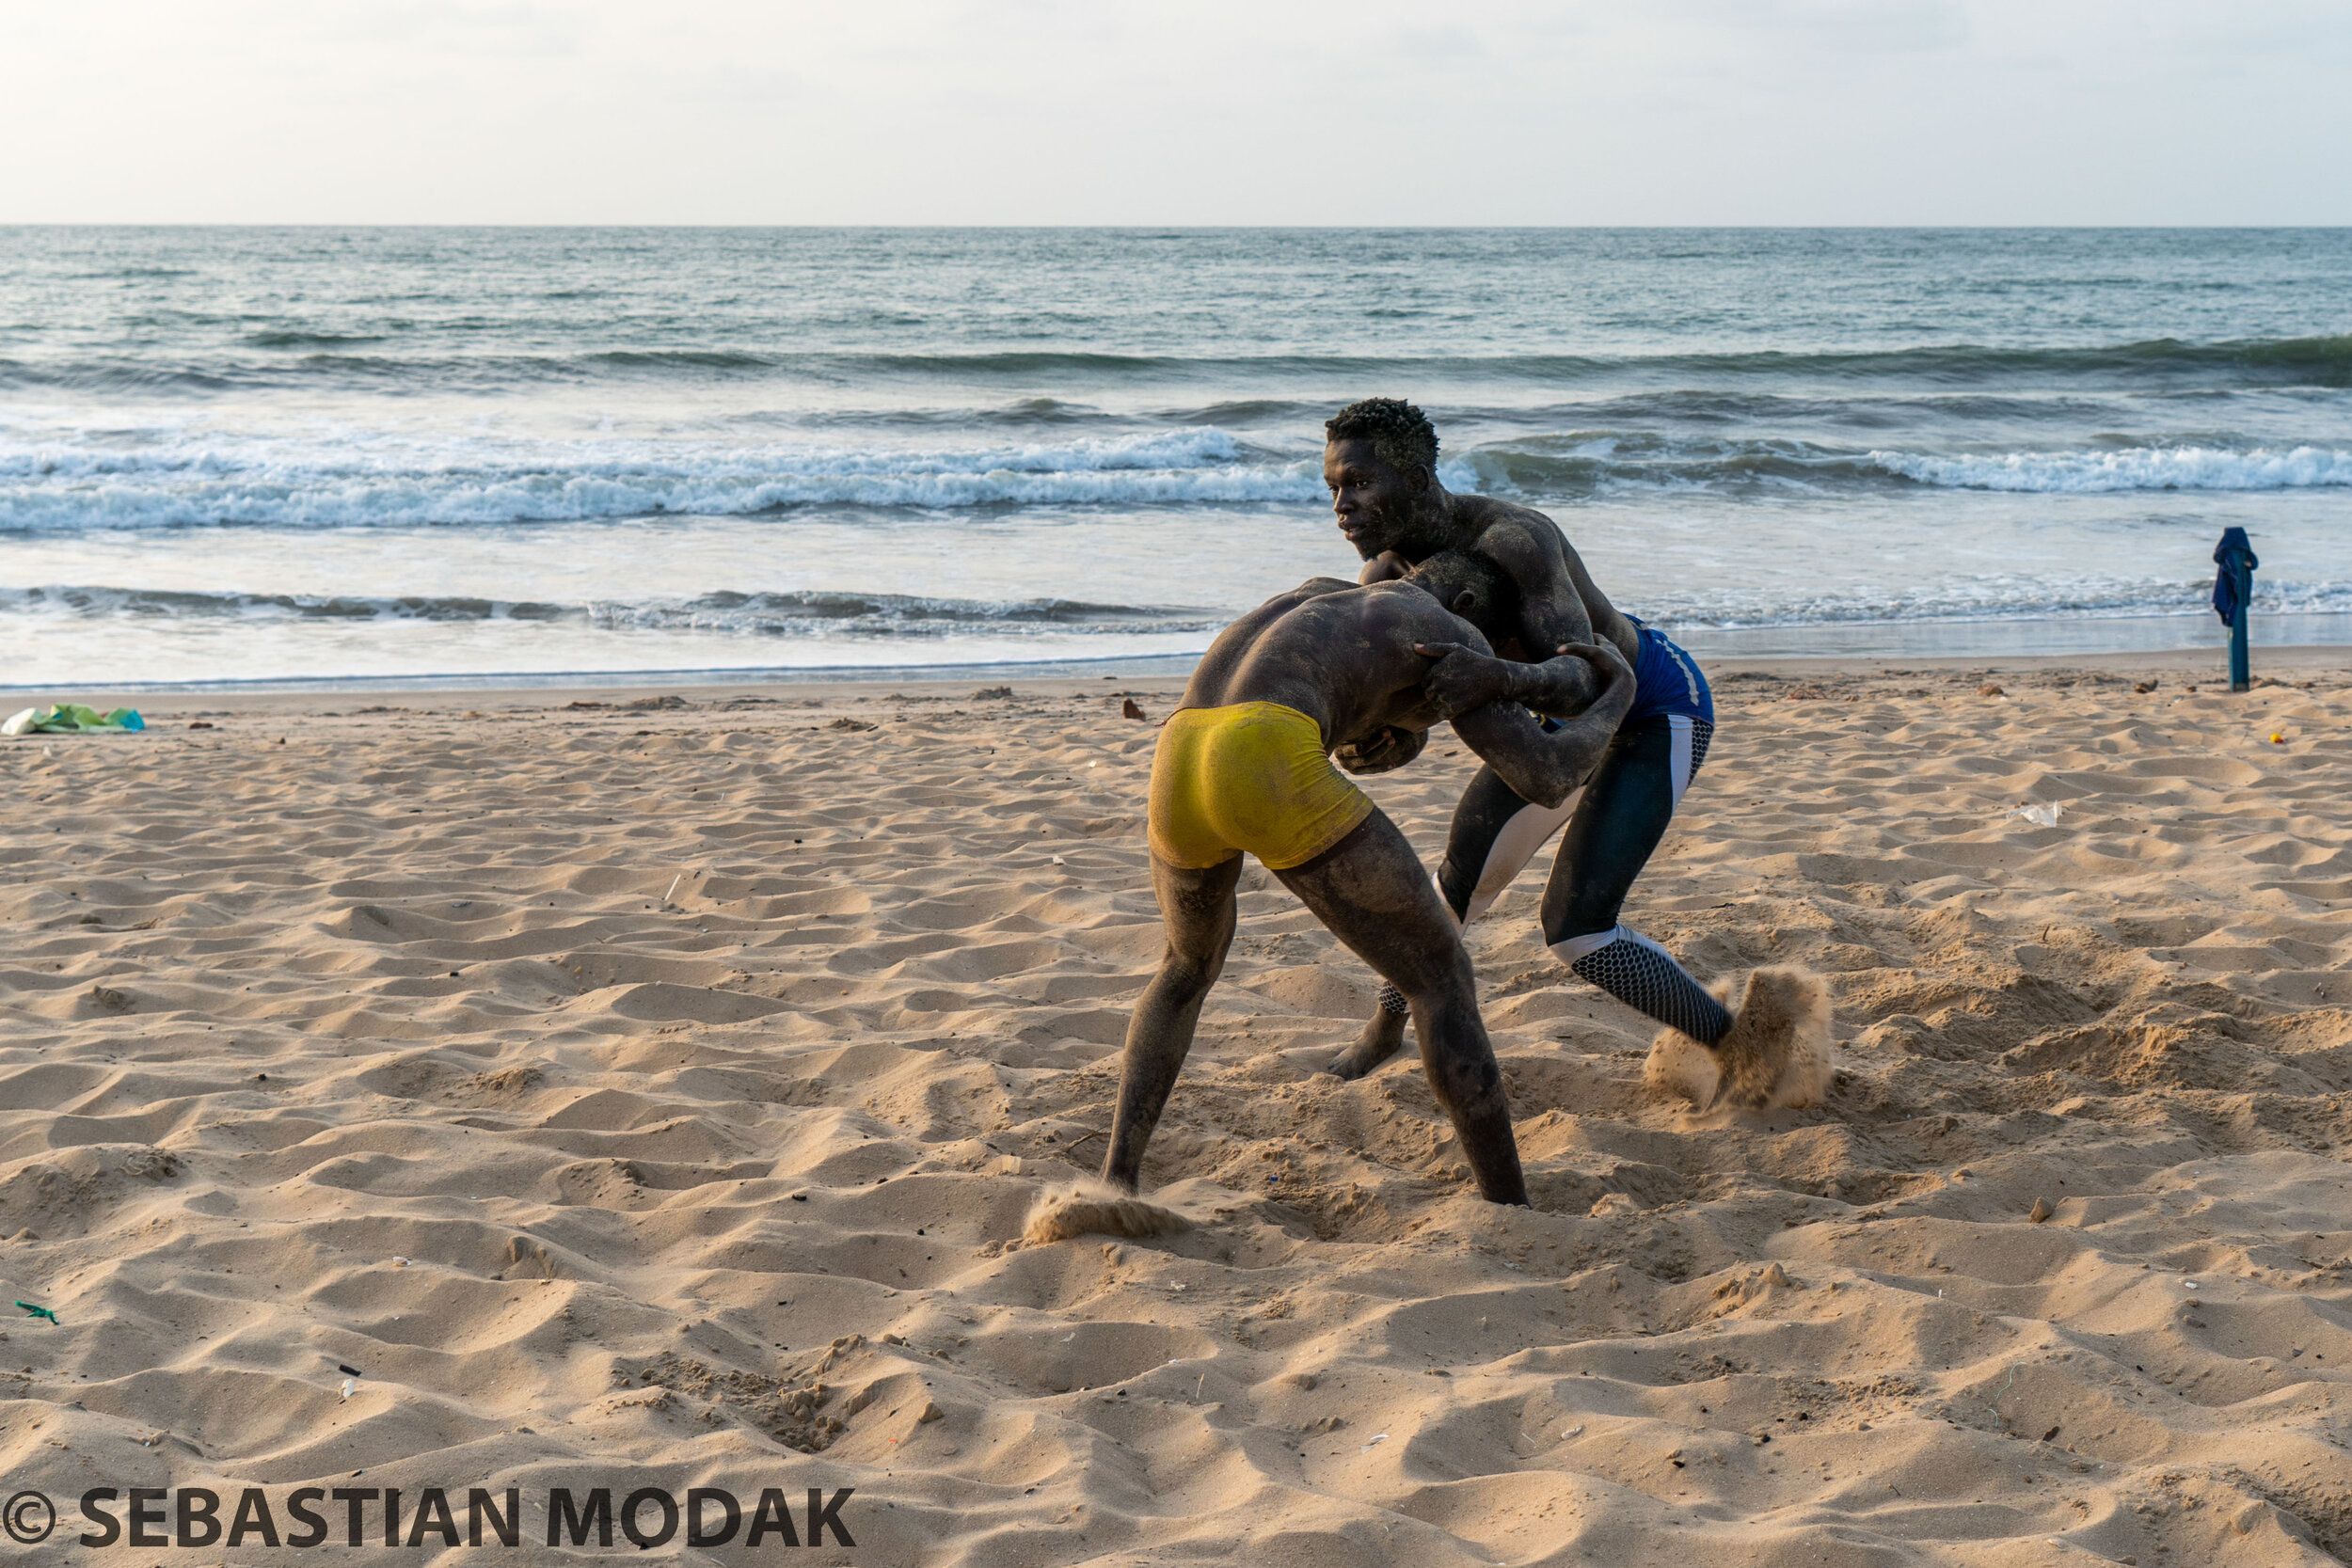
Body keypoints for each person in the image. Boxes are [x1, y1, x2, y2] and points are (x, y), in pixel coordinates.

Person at [1100, 555, 1634, 1208]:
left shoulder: (1316, 598)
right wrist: (1617, 696)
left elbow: (1360, 723)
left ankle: (1115, 1180)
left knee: (1184, 967)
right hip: (1264, 748)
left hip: (1179, 750)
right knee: (1440, 978)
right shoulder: (1450, 630)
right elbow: (1546, 777)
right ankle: (1508, 1205)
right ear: (1467, 604)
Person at [1316, 397, 1761, 1095]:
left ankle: (1733, 1040)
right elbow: (1415, 724)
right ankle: (1383, 1027)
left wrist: (1496, 675)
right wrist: (1381, 746)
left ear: (1422, 478)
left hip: (1650, 706)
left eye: (1359, 485)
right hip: (1556, 720)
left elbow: (1588, 680)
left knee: (1577, 928)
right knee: (1452, 886)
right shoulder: (1384, 582)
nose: (1342, 505)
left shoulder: (1515, 539)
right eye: (1333, 489)